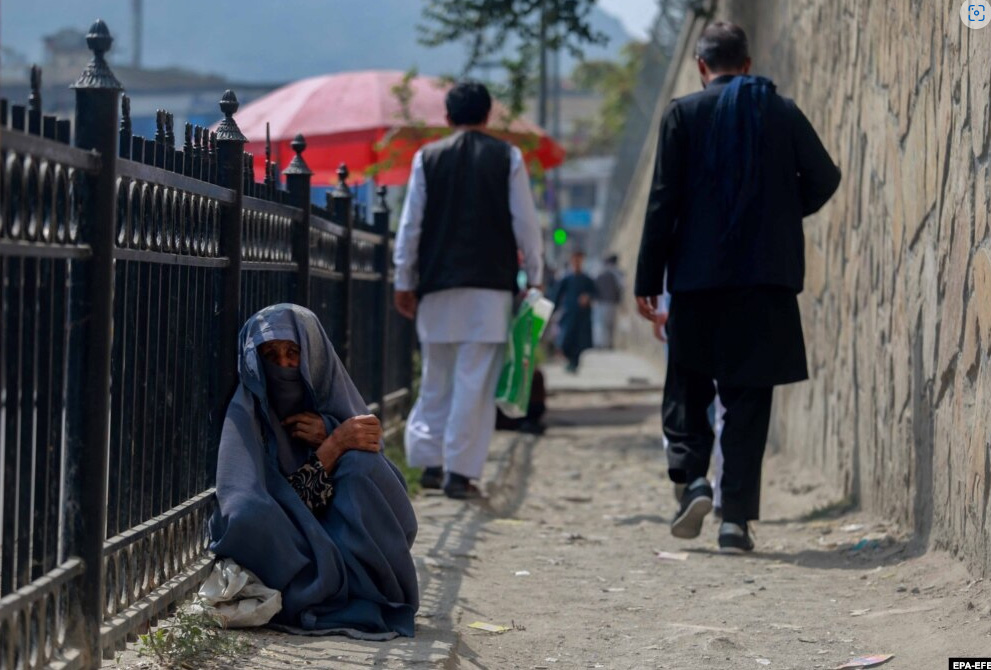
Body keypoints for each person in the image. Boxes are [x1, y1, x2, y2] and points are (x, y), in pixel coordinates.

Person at [634, 21, 841, 553]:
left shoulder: (683, 113)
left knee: (688, 387)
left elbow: (663, 203)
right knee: (748, 403)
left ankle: (694, 481)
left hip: (698, 282)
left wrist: (647, 278)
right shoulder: (781, 111)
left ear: (701, 67)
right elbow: (824, 177)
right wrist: (777, 213)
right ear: (747, 64)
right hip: (763, 283)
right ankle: (735, 523)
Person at [209, 304, 419, 637]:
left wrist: (336, 433)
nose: (283, 365)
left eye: (293, 353)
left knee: (361, 465)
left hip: (347, 544)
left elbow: (387, 500)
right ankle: (322, 591)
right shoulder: (248, 417)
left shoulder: (338, 411)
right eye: (270, 354)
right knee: (251, 515)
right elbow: (254, 509)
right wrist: (332, 447)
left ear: (314, 358)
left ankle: (370, 587)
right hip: (299, 555)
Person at [393, 81, 543, 499]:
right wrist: (534, 272)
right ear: (488, 115)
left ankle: (428, 461)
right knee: (474, 383)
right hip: (489, 289)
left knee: (435, 377)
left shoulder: (428, 158)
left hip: (437, 285)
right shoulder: (507, 157)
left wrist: (403, 280)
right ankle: (460, 472)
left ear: (447, 117)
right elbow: (525, 224)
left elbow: (410, 227)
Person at [553, 249, 597, 373]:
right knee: (566, 340)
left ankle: (574, 363)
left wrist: (588, 297)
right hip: (569, 314)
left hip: (582, 316)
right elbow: (557, 295)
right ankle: (569, 360)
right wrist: (552, 310)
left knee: (579, 342)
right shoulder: (566, 279)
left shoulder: (587, 279)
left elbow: (595, 293)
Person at [593, 254, 624, 349]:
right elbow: (620, 289)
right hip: (612, 303)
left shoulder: (600, 274)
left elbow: (595, 288)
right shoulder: (617, 274)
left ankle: (603, 344)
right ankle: (609, 344)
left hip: (602, 303)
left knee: (602, 325)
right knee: (610, 325)